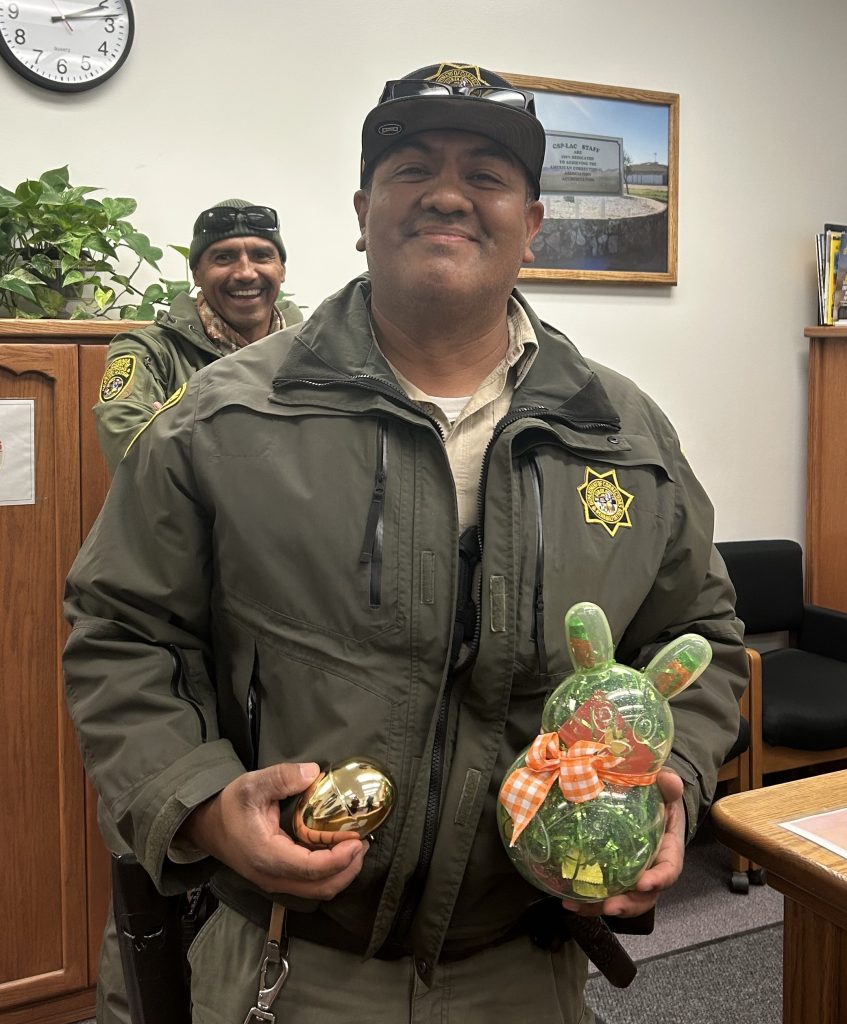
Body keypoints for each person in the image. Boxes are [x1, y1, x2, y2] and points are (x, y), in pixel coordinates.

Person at [64, 62, 747, 1024]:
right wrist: (204, 803)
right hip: (284, 960)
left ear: (533, 222)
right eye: (412, 165)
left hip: (524, 962)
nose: (447, 193)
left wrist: (667, 781)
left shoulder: (622, 434)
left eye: (488, 173)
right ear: (361, 208)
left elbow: (701, 639)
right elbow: (119, 632)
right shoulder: (220, 422)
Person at [94, 198, 303, 474]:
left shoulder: (313, 347)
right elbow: (135, 456)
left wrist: (182, 434)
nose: (245, 272)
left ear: (282, 270)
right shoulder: (149, 351)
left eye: (262, 255)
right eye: (224, 257)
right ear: (197, 273)